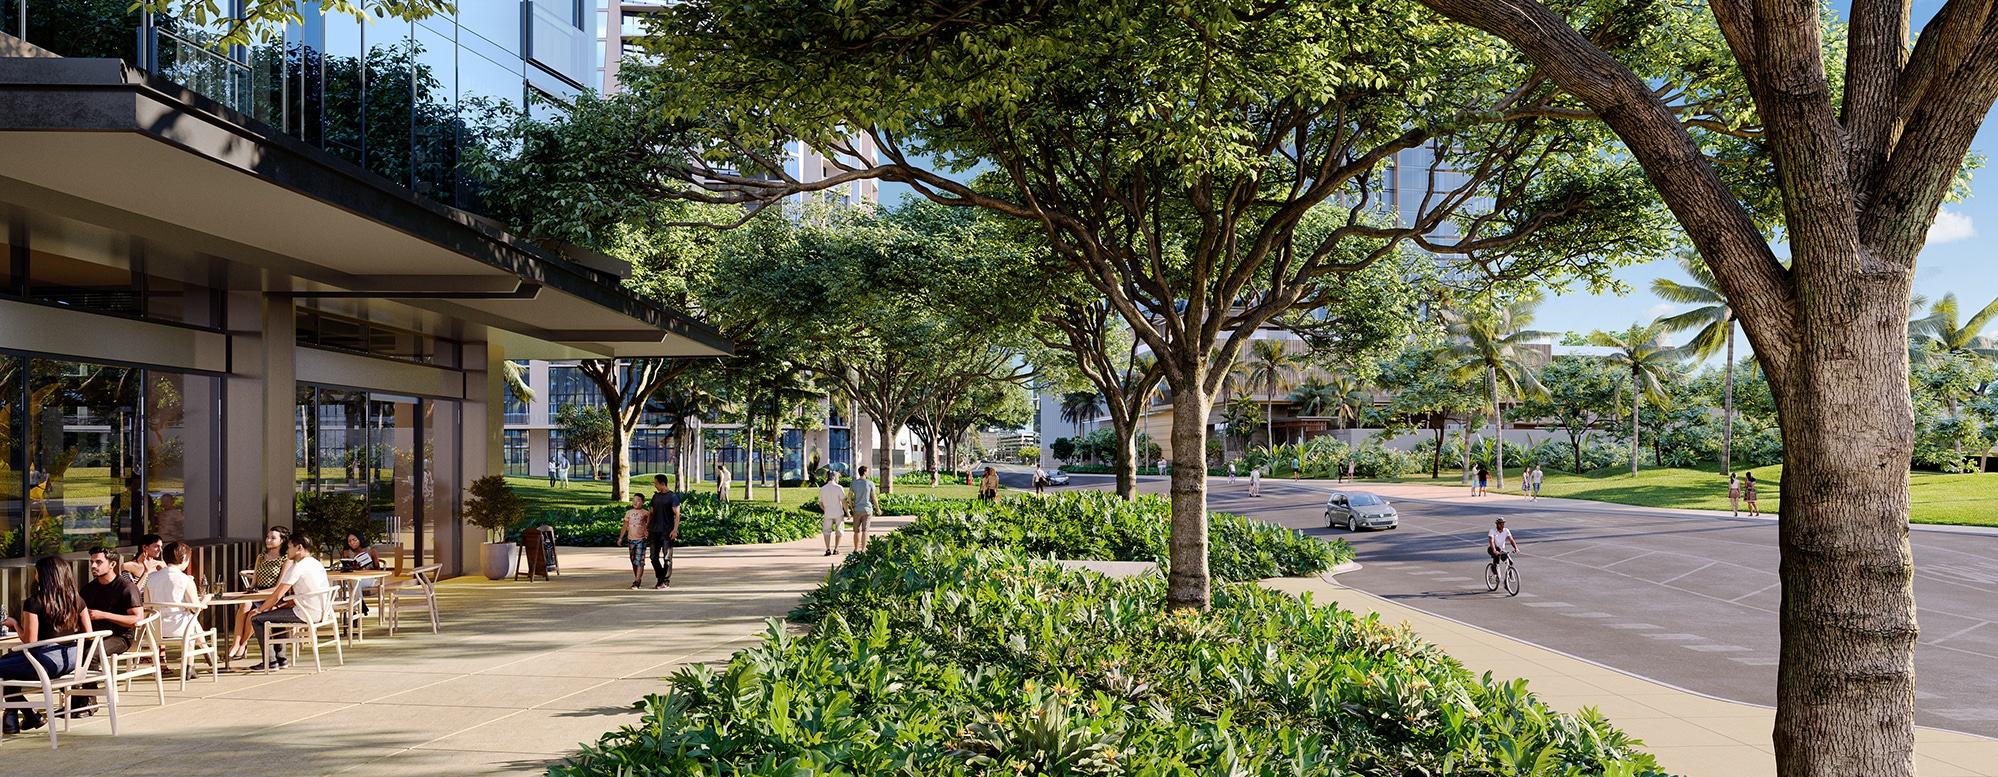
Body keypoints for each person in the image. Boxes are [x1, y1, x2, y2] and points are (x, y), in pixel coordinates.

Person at [1, 557, 92, 735]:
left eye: (36, 572)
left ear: (44, 576)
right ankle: (12, 718)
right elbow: (88, 634)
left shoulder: (34, 602)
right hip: (71, 662)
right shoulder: (78, 600)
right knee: (8, 664)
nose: (35, 576)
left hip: (44, 664)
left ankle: (27, 713)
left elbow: (30, 642)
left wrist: (15, 625)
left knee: (4, 666)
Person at [248, 535, 331, 671]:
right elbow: (301, 596)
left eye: (289, 547)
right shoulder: (317, 564)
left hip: (306, 613)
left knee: (257, 619)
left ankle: (270, 661)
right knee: (274, 614)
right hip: (322, 612)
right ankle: (280, 659)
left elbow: (277, 595)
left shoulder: (298, 568)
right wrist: (276, 607)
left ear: (299, 547)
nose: (287, 551)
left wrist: (259, 609)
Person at [227, 526, 292, 662]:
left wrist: (260, 593)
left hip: (273, 596)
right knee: (244, 604)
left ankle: (242, 644)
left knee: (253, 614)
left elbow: (278, 587)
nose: (268, 540)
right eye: (268, 537)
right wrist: (250, 590)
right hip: (257, 594)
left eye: (273, 538)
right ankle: (236, 644)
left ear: (282, 540)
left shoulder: (286, 559)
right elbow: (254, 581)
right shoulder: (261, 556)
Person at [144, 542, 209, 678]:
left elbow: (148, 606)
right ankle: (191, 664)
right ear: (184, 559)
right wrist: (206, 600)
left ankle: (197, 661)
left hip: (156, 628)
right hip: (179, 627)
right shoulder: (185, 579)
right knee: (191, 620)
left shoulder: (151, 578)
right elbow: (196, 607)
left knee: (190, 620)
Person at [82, 548, 145, 659]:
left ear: (112, 564)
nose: (93, 566)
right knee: (64, 649)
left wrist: (103, 615)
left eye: (98, 562)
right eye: (92, 562)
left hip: (120, 637)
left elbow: (138, 619)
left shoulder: (127, 587)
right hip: (93, 635)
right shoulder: (88, 588)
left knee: (90, 654)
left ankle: (96, 677)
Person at [647, 474, 681, 589]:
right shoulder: (655, 497)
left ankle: (664, 581)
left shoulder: (672, 497)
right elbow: (650, 513)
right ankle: (660, 577)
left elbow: (677, 515)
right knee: (653, 557)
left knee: (667, 558)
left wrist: (675, 530)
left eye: (656, 483)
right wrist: (647, 527)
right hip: (654, 530)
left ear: (662, 483)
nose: (655, 485)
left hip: (667, 531)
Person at [617, 494, 650, 589]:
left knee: (639, 560)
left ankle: (637, 580)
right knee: (633, 560)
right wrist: (620, 538)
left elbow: (649, 524)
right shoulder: (628, 513)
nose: (635, 502)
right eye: (633, 500)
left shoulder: (645, 513)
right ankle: (637, 577)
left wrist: (648, 532)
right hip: (631, 539)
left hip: (641, 539)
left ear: (643, 502)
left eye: (638, 500)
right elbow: (625, 526)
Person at [849, 465, 881, 553]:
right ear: (865, 472)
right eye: (867, 471)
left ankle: (855, 549)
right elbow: (874, 498)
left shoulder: (854, 483)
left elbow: (849, 496)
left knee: (856, 531)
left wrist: (852, 507)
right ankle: (863, 550)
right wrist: (878, 508)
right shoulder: (870, 483)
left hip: (857, 509)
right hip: (867, 509)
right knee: (865, 531)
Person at [818, 471, 848, 556]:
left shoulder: (823, 488)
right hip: (838, 512)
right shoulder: (839, 488)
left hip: (828, 513)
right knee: (839, 531)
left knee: (826, 531)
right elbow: (843, 501)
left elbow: (820, 503)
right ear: (835, 478)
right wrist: (848, 512)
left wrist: (825, 509)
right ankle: (836, 549)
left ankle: (827, 549)